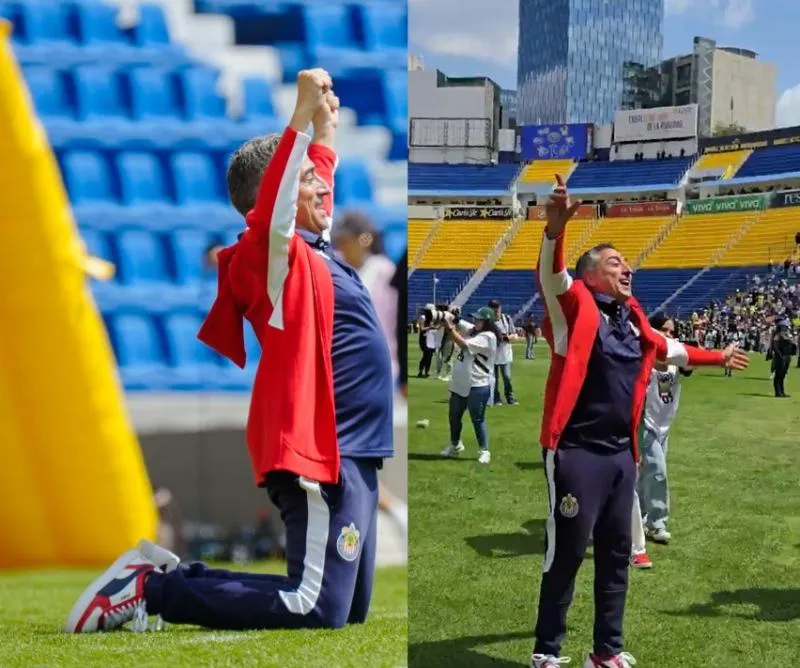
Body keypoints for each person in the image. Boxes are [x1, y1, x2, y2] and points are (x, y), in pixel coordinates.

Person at [65, 69, 394, 633]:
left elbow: (314, 186)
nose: (323, 190)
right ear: (282, 194)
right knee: (317, 606)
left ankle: (163, 580)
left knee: (344, 606)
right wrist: (299, 118)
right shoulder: (268, 258)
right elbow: (277, 211)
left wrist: (327, 129)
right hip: (324, 449)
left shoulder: (313, 250)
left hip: (358, 451)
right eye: (308, 181)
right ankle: (153, 591)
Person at [530, 174, 749, 668]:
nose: (626, 268)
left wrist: (718, 355)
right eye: (614, 262)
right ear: (590, 274)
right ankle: (547, 651)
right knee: (565, 555)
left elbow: (671, 349)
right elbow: (551, 277)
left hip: (619, 456)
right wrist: (555, 231)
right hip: (574, 452)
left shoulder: (633, 318)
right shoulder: (574, 308)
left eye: (626, 262)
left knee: (616, 557)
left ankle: (606, 651)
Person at [630, 313, 693, 570]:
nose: (669, 335)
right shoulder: (643, 355)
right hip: (647, 423)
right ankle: (657, 523)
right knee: (658, 471)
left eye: (672, 331)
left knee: (647, 473)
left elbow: (690, 364)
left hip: (665, 425)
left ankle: (642, 517)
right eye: (664, 330)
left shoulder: (674, 354)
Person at [439, 307, 498, 465]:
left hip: (477, 384)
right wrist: (450, 316)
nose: (475, 321)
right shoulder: (475, 330)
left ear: (486, 322)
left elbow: (464, 344)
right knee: (454, 416)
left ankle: (484, 450)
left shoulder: (488, 336)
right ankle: (455, 444)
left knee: (477, 418)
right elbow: (462, 324)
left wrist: (449, 326)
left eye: (479, 319)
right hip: (460, 383)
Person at [489, 299, 518, 405]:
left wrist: (507, 337)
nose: (496, 310)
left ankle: (510, 397)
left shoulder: (506, 318)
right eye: (493, 307)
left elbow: (514, 334)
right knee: (494, 378)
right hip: (492, 354)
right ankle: (496, 398)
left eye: (497, 307)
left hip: (505, 353)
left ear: (500, 308)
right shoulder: (488, 321)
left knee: (507, 376)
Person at [771, 319, 796, 397]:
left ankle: (782, 391)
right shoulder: (778, 335)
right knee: (778, 375)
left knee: (783, 375)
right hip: (781, 356)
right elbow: (775, 346)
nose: (786, 328)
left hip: (787, 356)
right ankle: (778, 392)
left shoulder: (787, 334)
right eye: (785, 326)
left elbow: (792, 345)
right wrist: (779, 355)